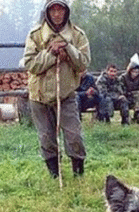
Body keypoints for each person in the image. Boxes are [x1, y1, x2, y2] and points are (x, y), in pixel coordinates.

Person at [23, 0, 90, 178]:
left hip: (66, 94)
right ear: (47, 12)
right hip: (40, 96)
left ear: (66, 11)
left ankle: (78, 173)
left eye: (61, 10)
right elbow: (30, 64)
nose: (57, 14)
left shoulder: (77, 35)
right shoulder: (35, 35)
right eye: (53, 10)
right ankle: (55, 175)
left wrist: (68, 49)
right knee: (46, 137)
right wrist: (51, 54)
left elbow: (83, 63)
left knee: (74, 136)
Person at [119, 53, 139, 124]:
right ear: (130, 71)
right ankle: (127, 119)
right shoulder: (123, 78)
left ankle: (138, 113)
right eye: (133, 71)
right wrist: (129, 93)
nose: (135, 74)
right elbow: (120, 89)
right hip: (125, 97)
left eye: (137, 72)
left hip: (135, 99)